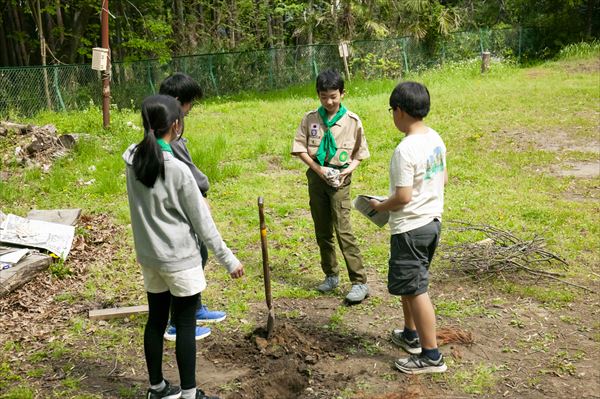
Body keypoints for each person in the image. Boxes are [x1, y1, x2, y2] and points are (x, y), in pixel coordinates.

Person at [123, 94, 244, 399]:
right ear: (175, 126)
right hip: (179, 260)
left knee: (155, 320)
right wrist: (229, 260)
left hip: (150, 258)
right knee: (186, 324)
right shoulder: (177, 170)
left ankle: (157, 388)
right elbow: (204, 224)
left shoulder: (131, 160)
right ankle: (190, 394)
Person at [369, 81, 448, 374]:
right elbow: (444, 179)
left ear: (399, 111)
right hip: (431, 223)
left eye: (392, 110)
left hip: (411, 228)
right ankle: (410, 335)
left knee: (416, 289)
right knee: (409, 283)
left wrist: (379, 206)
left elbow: (403, 197)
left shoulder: (405, 149)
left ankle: (431, 356)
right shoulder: (435, 139)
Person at [291, 69, 370, 303]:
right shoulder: (310, 119)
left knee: (343, 229)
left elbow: (359, 153)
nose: (329, 101)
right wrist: (318, 169)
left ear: (342, 94)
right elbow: (300, 148)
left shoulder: (352, 122)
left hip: (340, 180)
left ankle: (359, 282)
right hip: (317, 177)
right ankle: (331, 274)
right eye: (324, 96)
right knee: (322, 229)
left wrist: (348, 170)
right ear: (318, 94)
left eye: (333, 96)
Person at [158, 72, 227, 341]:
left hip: (187, 201)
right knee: (187, 261)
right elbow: (186, 170)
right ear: (177, 101)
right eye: (189, 104)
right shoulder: (168, 132)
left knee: (199, 254)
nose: (189, 110)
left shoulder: (171, 125)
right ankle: (178, 322)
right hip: (180, 206)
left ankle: (194, 308)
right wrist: (202, 192)